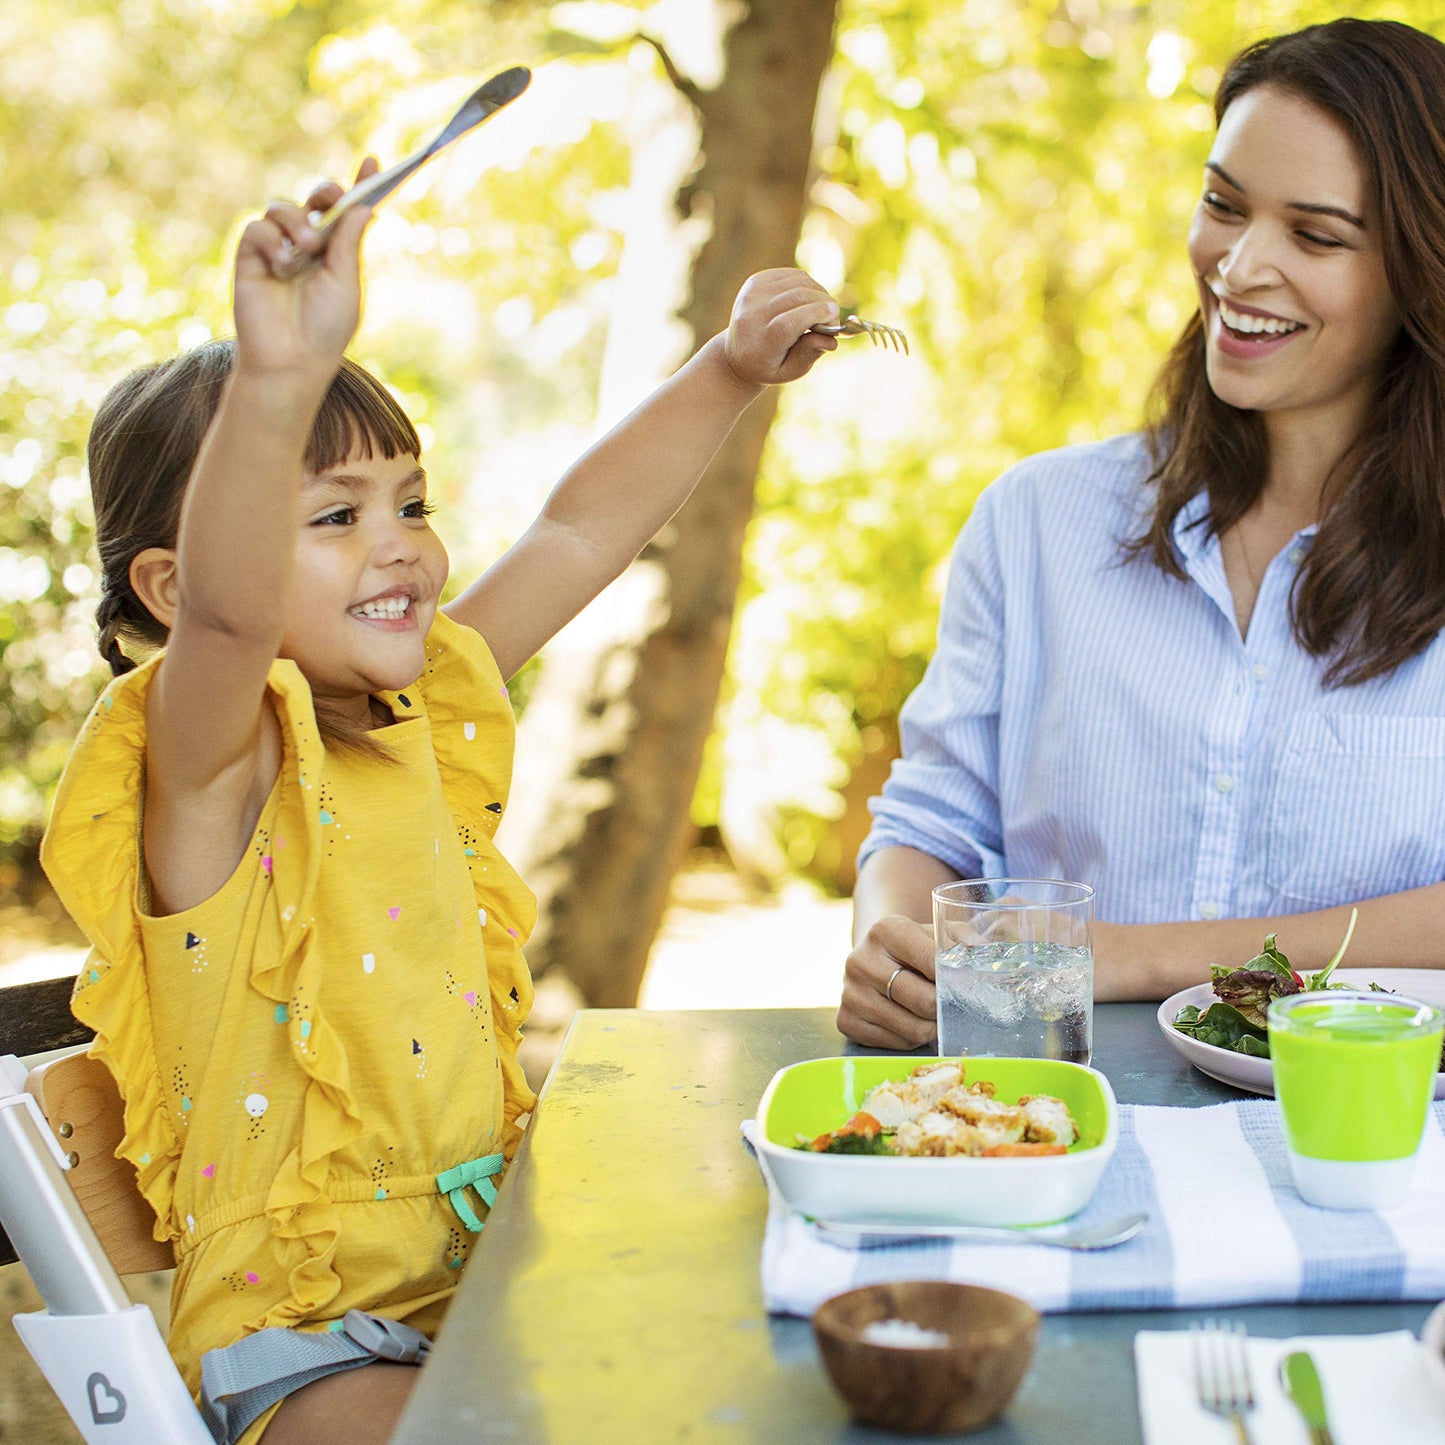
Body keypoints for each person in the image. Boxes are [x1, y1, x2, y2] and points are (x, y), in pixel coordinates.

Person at [40, 156, 840, 1445]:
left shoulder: (421, 712)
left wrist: (728, 374)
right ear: (170, 589)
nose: (400, 540)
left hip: (489, 1281)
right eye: (336, 515)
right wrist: (277, 380)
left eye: (409, 502)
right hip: (302, 1348)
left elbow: (580, 533)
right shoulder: (205, 771)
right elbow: (240, 614)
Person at [840, 17, 1445, 1051]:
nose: (1239, 264)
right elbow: (930, 824)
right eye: (1221, 205)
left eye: (1315, 235)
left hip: (1379, 1158)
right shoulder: (1037, 521)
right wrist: (897, 948)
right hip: (1051, 1116)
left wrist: (1131, 955)